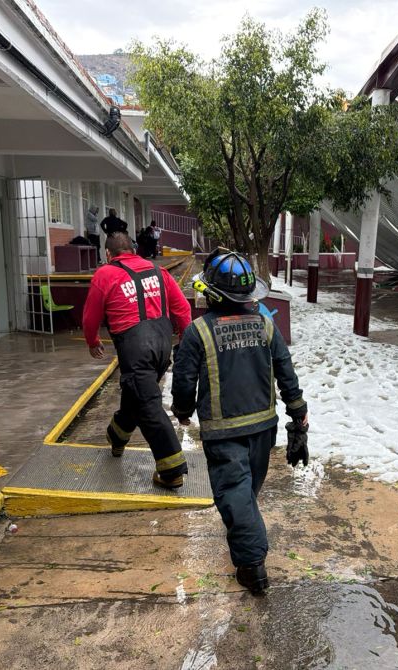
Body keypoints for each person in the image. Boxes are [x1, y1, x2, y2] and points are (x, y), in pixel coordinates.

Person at [171, 249, 308, 595]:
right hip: (264, 428)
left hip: (224, 432)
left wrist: (182, 410)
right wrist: (298, 412)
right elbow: (285, 371)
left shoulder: (197, 332)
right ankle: (247, 540)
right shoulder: (265, 323)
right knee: (245, 492)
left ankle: (252, 566)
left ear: (212, 293)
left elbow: (184, 380)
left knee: (236, 494)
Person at [82, 232, 192, 487]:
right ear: (133, 250)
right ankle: (116, 437)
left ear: (108, 254)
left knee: (149, 407)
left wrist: (92, 341)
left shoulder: (105, 274)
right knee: (136, 393)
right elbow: (182, 309)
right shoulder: (158, 271)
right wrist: (184, 342)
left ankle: (172, 470)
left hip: (135, 349)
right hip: (162, 346)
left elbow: (90, 318)